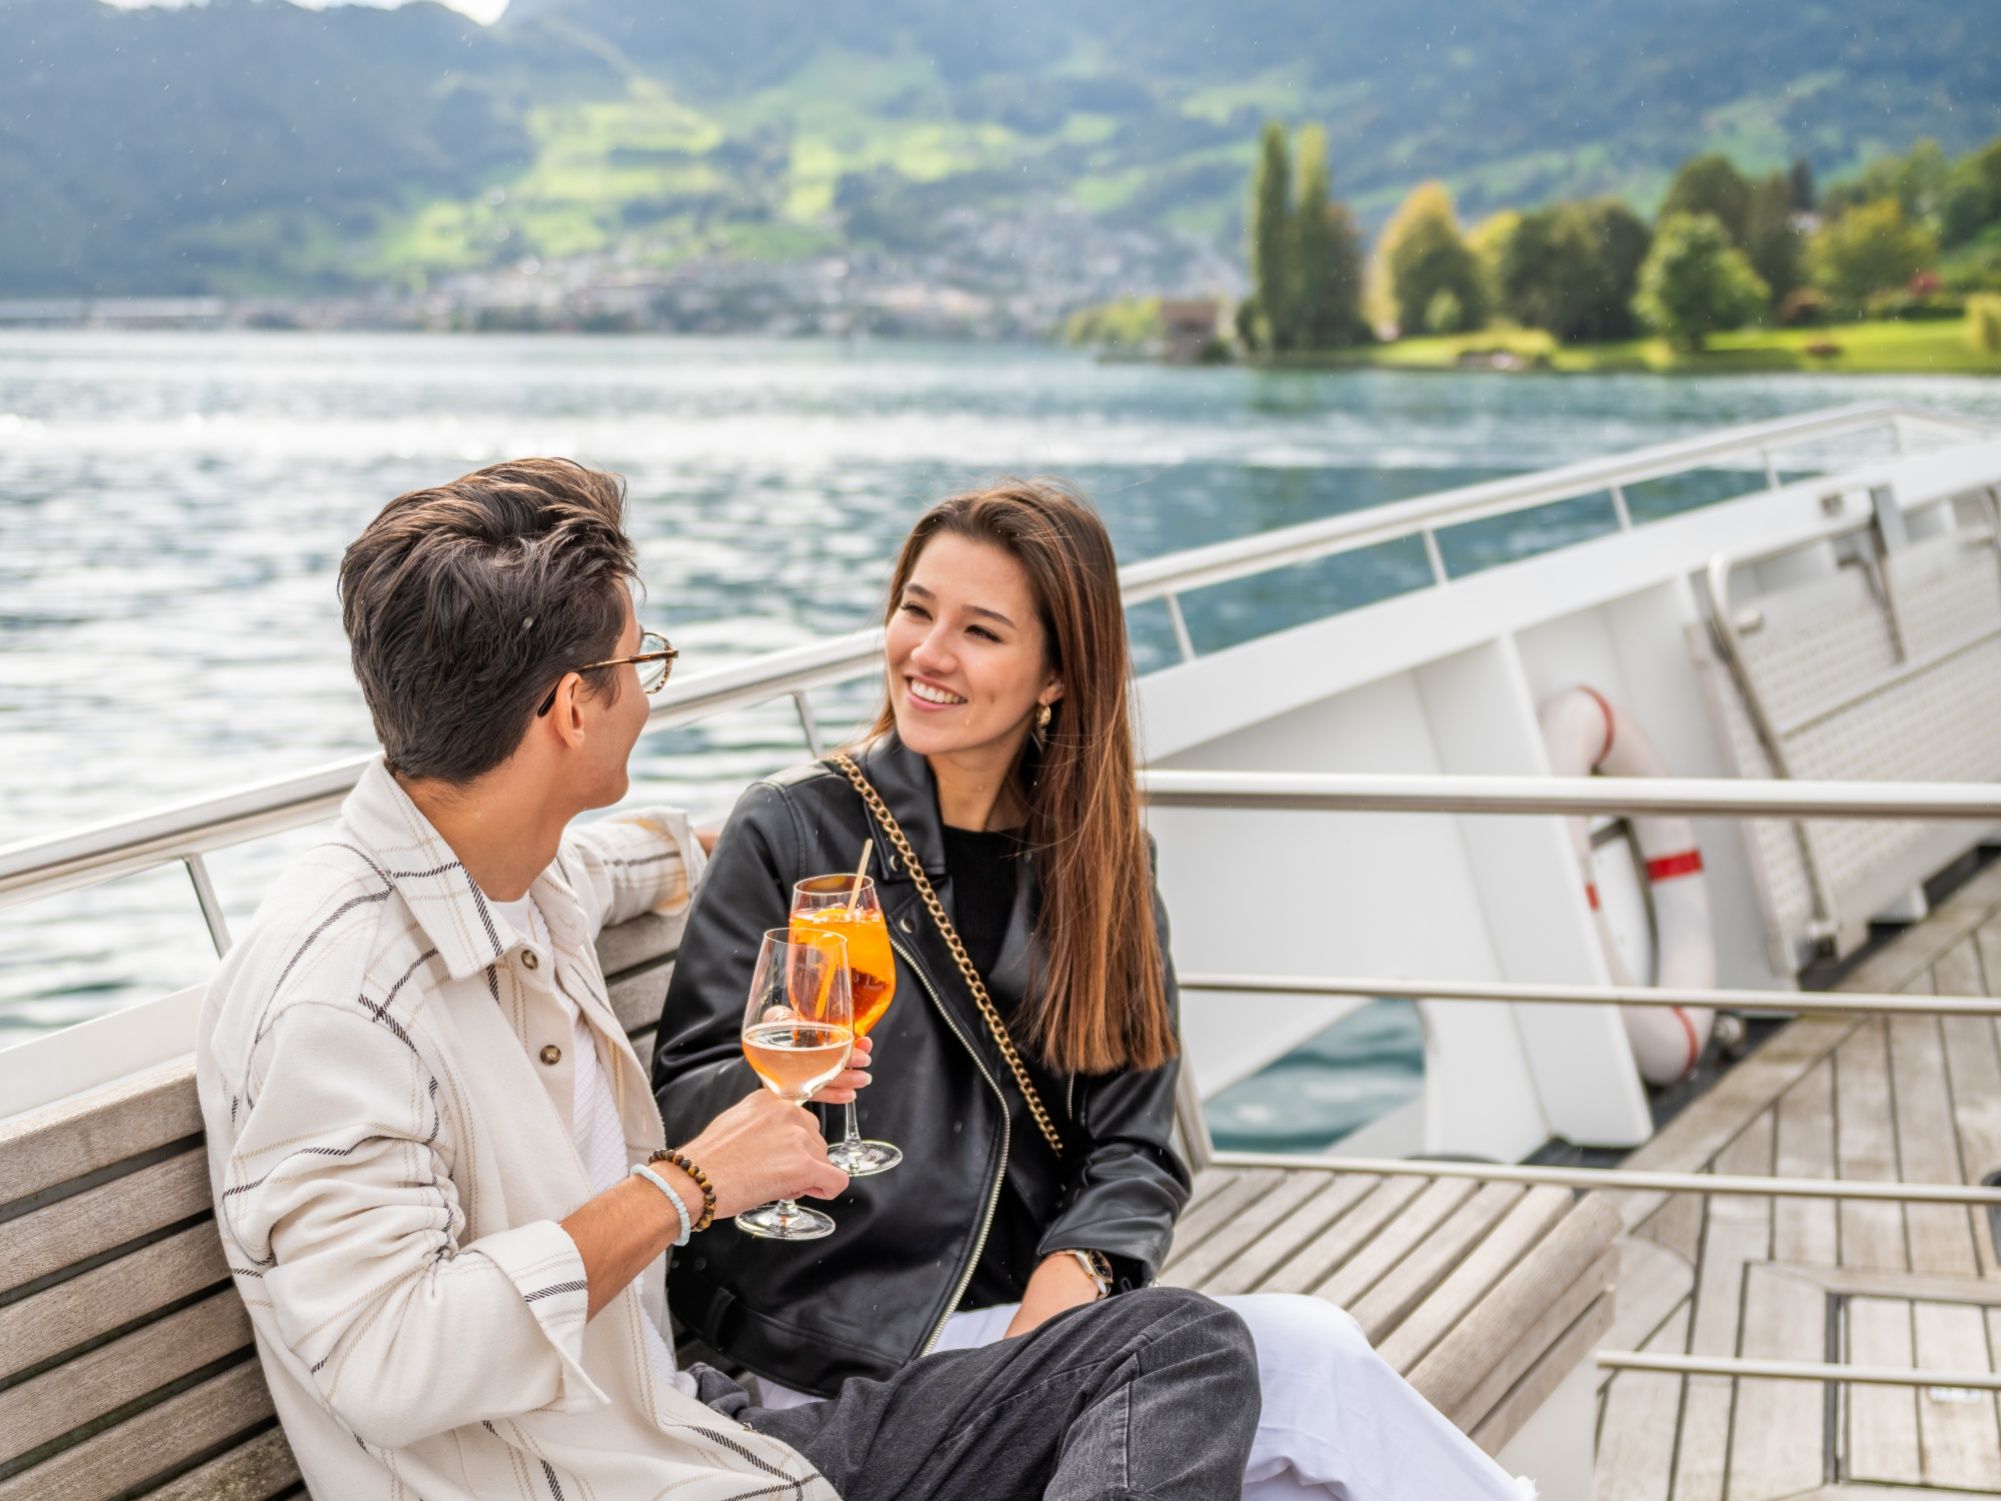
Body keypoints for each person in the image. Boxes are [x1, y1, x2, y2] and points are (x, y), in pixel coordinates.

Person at [194, 458, 1260, 1501]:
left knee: (1179, 1346)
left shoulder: (509, 874)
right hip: (624, 1467)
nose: (646, 696)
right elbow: (387, 1359)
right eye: (638, 663)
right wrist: (685, 1185)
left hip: (692, 1428)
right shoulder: (337, 1002)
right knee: (1183, 1357)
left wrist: (717, 841)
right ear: (574, 708)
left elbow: (602, 865)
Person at [654, 479, 1537, 1500]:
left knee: (1305, 1393)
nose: (927, 654)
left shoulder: (1097, 862)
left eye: (980, 631)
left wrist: (1076, 1280)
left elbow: (1136, 1142)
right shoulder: (797, 830)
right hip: (833, 1353)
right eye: (915, 609)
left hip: (1025, 1329)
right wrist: (791, 1093)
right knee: (1306, 1369)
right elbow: (683, 1096)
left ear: (1057, 675)